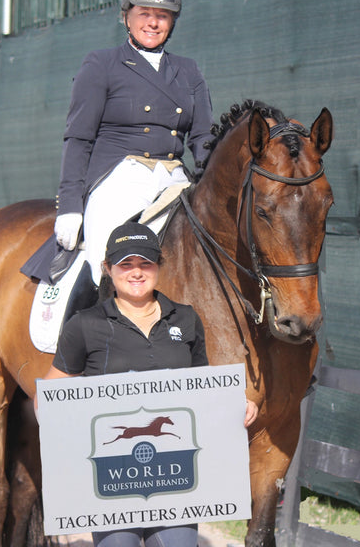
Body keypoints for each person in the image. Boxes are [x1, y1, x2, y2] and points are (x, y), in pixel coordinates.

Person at [35, 222, 259, 547]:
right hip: (111, 478)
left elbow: (202, 387)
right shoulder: (85, 325)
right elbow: (49, 396)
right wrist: (66, 445)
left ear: (158, 267)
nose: (136, 272)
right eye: (125, 264)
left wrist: (234, 405)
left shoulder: (186, 318)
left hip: (176, 472)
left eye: (145, 263)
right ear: (108, 269)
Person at [52, 0, 214, 287]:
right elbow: (78, 138)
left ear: (172, 22)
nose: (153, 23)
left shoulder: (189, 70)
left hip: (175, 181)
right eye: (145, 14)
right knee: (108, 264)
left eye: (162, 16)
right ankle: (98, 328)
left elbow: (202, 138)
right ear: (127, 17)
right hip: (118, 179)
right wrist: (70, 205)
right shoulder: (101, 64)